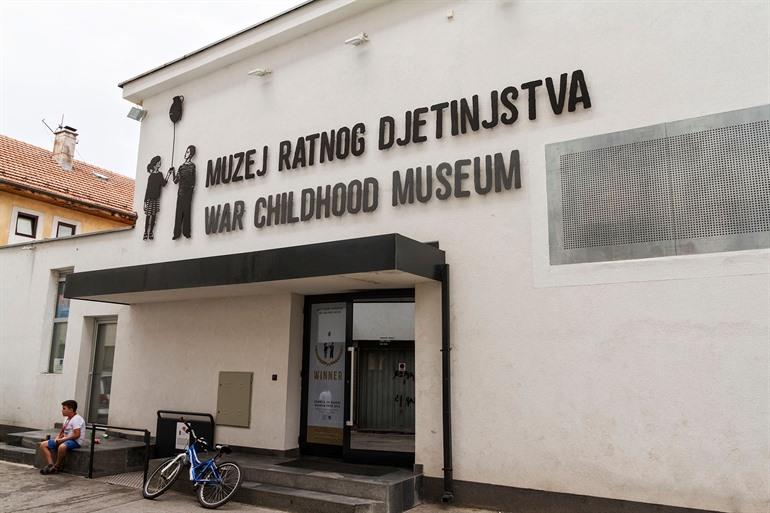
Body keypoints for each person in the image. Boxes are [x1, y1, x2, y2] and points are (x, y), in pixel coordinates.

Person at [38, 400, 86, 475]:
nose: (62, 410)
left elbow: (77, 435)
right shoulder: (67, 419)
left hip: (75, 441)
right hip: (65, 439)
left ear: (71, 410)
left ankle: (57, 467)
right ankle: (50, 465)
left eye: (64, 408)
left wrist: (62, 440)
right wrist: (57, 438)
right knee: (43, 445)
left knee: (62, 447)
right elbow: (62, 432)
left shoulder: (77, 419)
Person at [170, 144, 196, 239]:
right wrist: (173, 172)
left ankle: (186, 232)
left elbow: (193, 180)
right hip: (180, 193)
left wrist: (191, 190)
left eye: (188, 152)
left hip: (188, 193)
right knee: (179, 212)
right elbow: (175, 180)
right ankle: (176, 233)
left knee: (187, 212)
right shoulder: (181, 167)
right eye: (186, 151)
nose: (186, 153)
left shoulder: (192, 166)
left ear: (191, 154)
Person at [142, 155, 169, 240]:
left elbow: (164, 183)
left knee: (153, 216)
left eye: (160, 162)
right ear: (155, 164)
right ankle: (145, 232)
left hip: (156, 198)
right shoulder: (151, 176)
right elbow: (148, 189)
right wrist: (145, 201)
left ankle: (151, 232)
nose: (160, 163)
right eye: (158, 162)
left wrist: (168, 173)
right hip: (150, 199)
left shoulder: (160, 174)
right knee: (148, 216)